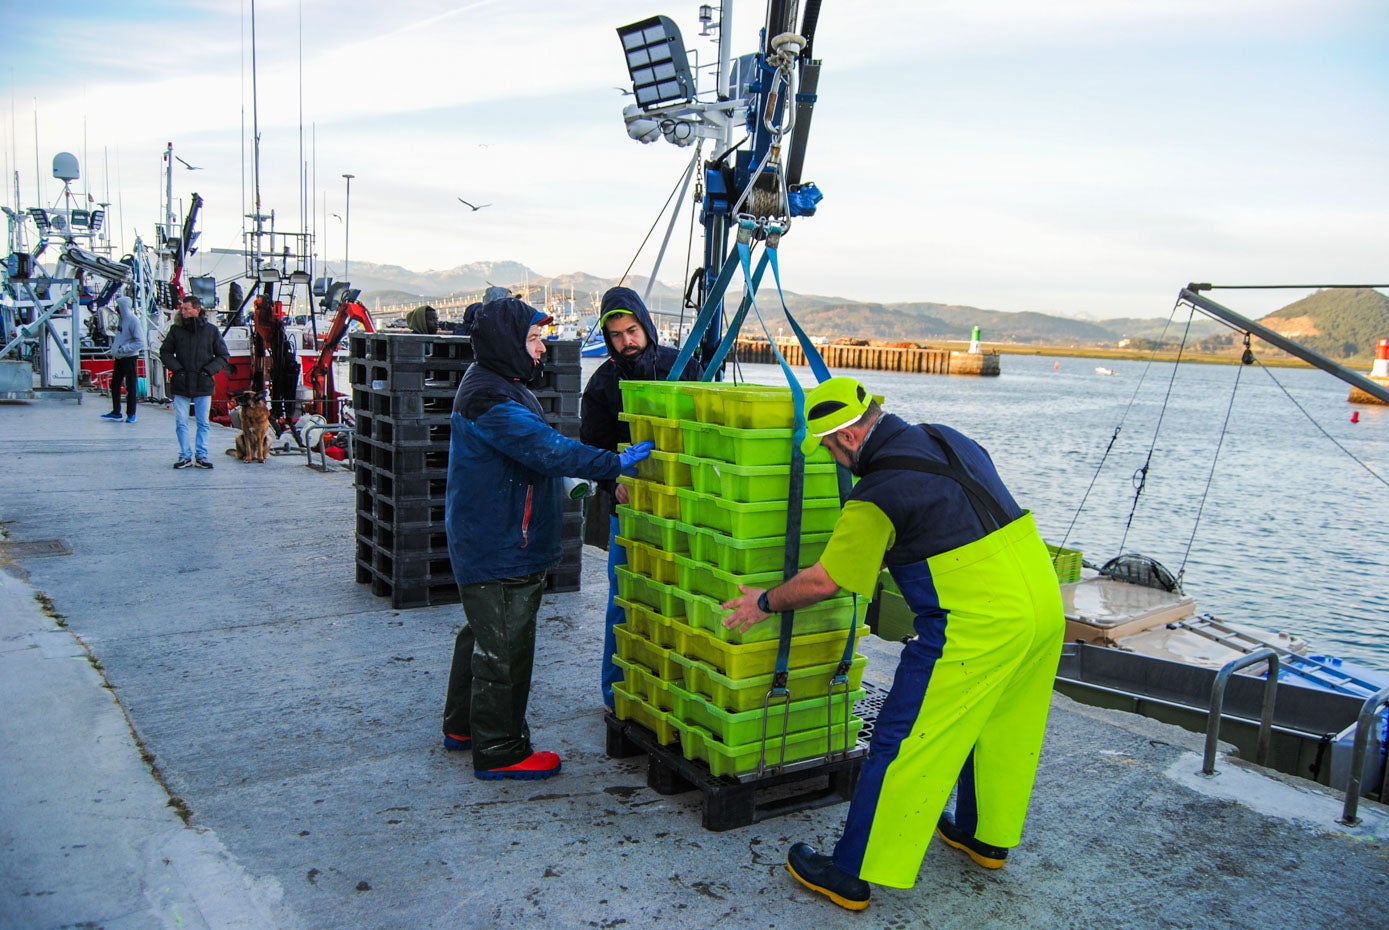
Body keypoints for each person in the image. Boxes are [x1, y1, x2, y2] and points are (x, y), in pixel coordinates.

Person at [721, 376, 1065, 911]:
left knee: (900, 740)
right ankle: (985, 837)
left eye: (829, 450)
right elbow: (953, 514)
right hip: (1042, 603)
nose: (833, 461)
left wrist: (762, 602)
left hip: (975, 622)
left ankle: (850, 872)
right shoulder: (946, 435)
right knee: (1004, 724)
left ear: (848, 439)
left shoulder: (874, 495)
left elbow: (823, 582)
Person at [443, 296, 653, 780]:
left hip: (492, 534)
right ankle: (500, 749)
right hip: (500, 541)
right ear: (507, 342)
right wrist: (612, 462)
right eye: (534, 339)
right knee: (506, 646)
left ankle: (463, 726)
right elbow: (546, 448)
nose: (541, 349)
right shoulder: (491, 398)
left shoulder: (500, 383)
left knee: (482, 634)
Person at [579, 285, 704, 709]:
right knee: (624, 602)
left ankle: (675, 694)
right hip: (629, 511)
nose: (625, 341)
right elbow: (592, 450)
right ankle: (615, 697)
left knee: (683, 604)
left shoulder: (683, 365)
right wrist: (613, 484)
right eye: (615, 335)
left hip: (683, 506)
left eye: (632, 330)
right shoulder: (600, 385)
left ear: (646, 326)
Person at [159, 294, 230, 469]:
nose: (182, 311)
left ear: (196, 310)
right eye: (182, 308)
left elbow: (223, 355)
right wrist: (178, 369)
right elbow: (165, 352)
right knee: (181, 421)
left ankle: (201, 455)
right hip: (183, 381)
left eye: (186, 308)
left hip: (202, 382)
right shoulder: (176, 330)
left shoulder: (211, 331)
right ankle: (185, 455)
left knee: (203, 422)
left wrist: (207, 371)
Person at [101, 296, 145, 423]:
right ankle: (116, 411)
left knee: (131, 386)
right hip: (120, 357)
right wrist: (115, 350)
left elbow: (140, 341)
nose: (116, 309)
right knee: (115, 384)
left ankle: (131, 413)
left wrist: (124, 349)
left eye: (118, 306)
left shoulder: (133, 320)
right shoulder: (121, 320)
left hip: (130, 357)